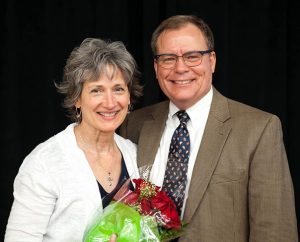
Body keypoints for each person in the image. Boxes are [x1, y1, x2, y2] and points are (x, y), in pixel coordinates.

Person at [120, 15, 298, 241]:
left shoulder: (258, 129)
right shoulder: (133, 124)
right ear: (156, 66)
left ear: (212, 61)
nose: (180, 67)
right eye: (168, 58)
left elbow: (275, 231)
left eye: (193, 57)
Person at [5, 38, 142, 241]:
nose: (110, 102)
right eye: (97, 90)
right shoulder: (44, 163)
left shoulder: (136, 154)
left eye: (118, 89)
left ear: (129, 97)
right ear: (77, 98)